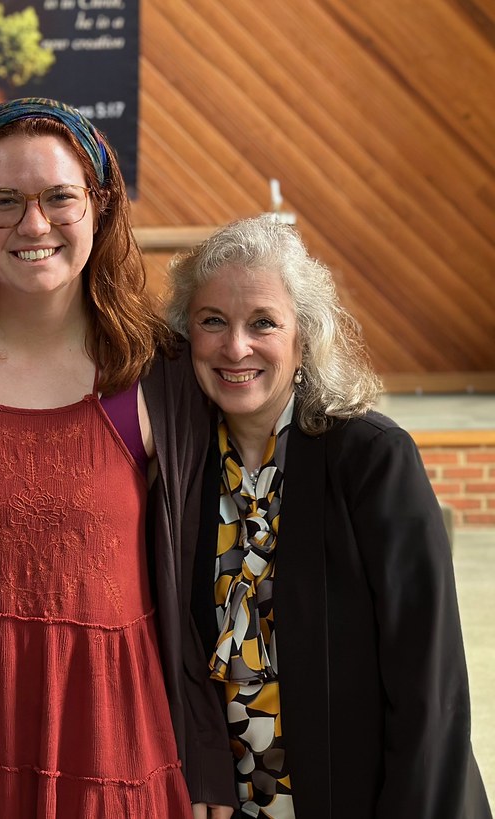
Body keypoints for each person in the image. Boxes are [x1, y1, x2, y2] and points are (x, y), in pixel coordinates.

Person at [0, 97, 236, 818]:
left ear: (99, 206)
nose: (33, 225)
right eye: (4, 200)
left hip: (113, 737)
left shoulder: (161, 376)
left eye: (59, 198)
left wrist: (204, 756)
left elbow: (201, 586)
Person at [163, 215, 491, 819]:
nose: (236, 347)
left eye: (263, 322)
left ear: (304, 338)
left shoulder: (371, 458)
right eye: (213, 321)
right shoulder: (182, 467)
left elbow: (431, 687)